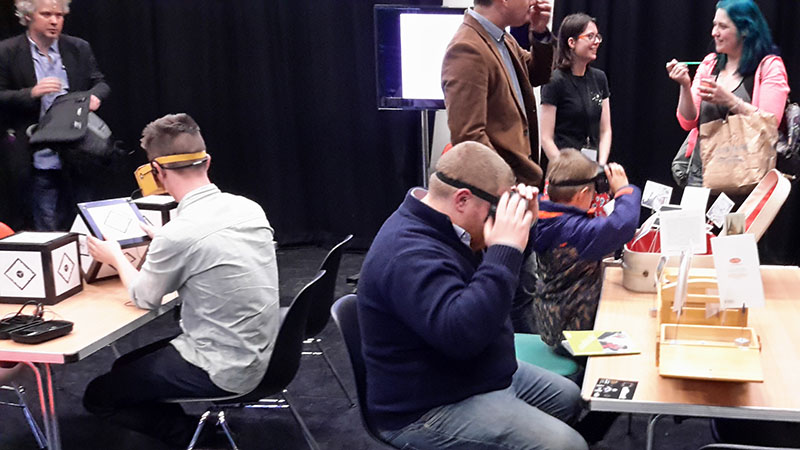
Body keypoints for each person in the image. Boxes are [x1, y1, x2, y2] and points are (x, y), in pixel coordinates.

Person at [358, 141, 587, 450]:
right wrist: (504, 249)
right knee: (568, 445)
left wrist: (523, 230)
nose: (498, 219)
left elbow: (490, 289)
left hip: (470, 373)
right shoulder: (407, 253)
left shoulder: (449, 225)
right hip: (426, 405)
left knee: (571, 398)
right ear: (462, 199)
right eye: (495, 209)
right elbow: (463, 335)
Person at [82, 113, 279, 448]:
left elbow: (144, 298)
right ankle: (194, 430)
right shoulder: (248, 208)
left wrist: (115, 256)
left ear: (155, 171)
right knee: (125, 366)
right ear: (207, 161)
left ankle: (195, 438)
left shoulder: (178, 235)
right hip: (265, 353)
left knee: (98, 395)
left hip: (222, 367)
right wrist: (164, 239)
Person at [0, 0, 110, 231]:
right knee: (47, 224)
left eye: (59, 15)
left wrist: (94, 97)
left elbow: (100, 82)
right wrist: (31, 93)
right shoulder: (8, 51)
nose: (54, 21)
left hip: (77, 150)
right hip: (37, 151)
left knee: (83, 221)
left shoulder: (78, 47)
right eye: (46, 14)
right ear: (28, 16)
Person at [666, 0, 789, 188]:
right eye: (714, 25)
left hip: (747, 181)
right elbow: (688, 122)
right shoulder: (710, 64)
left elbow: (770, 125)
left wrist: (731, 101)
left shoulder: (769, 67)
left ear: (745, 30)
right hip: (700, 180)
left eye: (722, 26)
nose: (714, 32)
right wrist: (684, 85)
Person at [532, 149, 640, 347]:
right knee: (637, 339)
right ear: (582, 195)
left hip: (553, 323)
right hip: (574, 336)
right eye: (592, 192)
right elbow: (622, 225)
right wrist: (624, 191)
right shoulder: (573, 232)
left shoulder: (544, 215)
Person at [441, 0, 555, 188]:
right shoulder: (467, 49)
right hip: (501, 190)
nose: (533, 1)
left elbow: (537, 75)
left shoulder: (503, 39)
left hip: (518, 185)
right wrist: (508, 186)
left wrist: (540, 33)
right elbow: (469, 138)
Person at [540, 13, 611, 166]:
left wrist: (601, 166)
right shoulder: (554, 81)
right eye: (590, 36)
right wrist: (566, 168)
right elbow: (546, 138)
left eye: (597, 37)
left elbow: (605, 130)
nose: (596, 42)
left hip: (592, 167)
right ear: (571, 42)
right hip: (564, 169)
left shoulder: (599, 78)